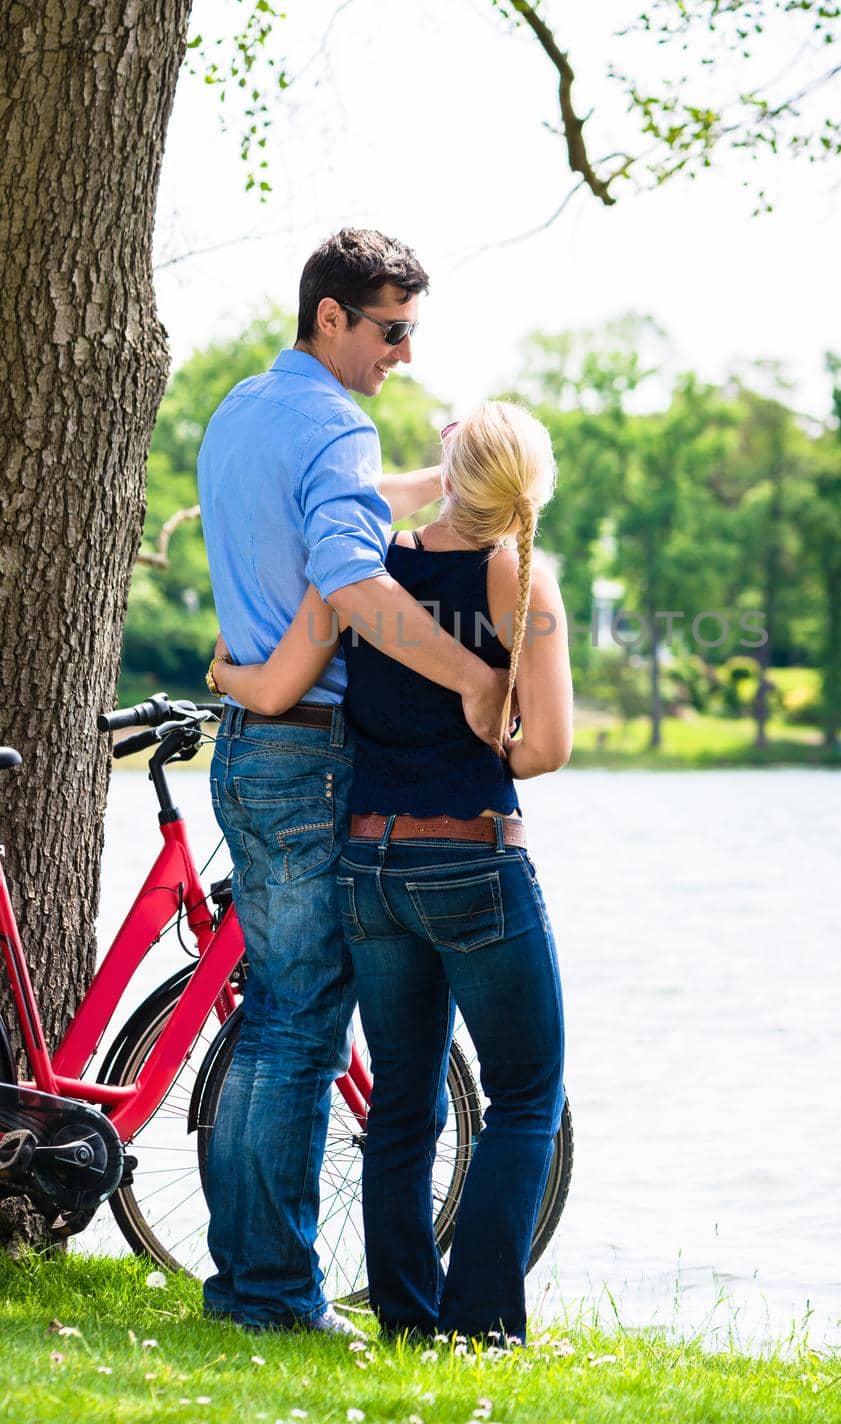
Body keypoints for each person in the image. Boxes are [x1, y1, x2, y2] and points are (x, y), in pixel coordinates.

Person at [196, 227, 508, 1335]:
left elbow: (350, 500)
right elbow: (351, 575)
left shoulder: (244, 408)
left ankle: (246, 1285)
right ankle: (271, 1296)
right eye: (390, 330)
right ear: (331, 316)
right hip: (316, 746)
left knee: (276, 1015)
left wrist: (469, 473)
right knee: (299, 1026)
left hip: (249, 736)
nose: (403, 354)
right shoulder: (336, 423)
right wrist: (476, 675)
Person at [212, 399, 572, 1344]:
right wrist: (495, 731)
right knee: (526, 1094)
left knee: (403, 1106)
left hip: (368, 863)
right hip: (473, 865)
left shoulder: (366, 562)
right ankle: (482, 1328)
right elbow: (547, 753)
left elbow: (278, 685)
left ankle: (410, 1325)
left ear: (451, 467)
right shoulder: (521, 580)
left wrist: (223, 680)